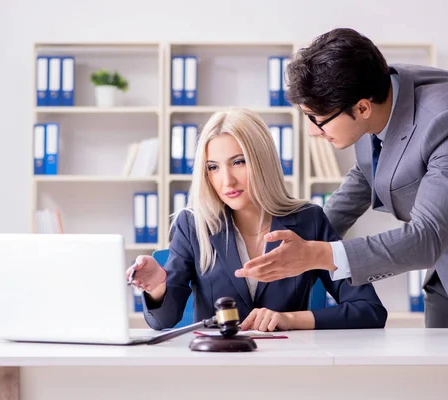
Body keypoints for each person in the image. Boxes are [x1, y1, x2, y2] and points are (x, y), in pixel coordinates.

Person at [235, 28, 448, 329]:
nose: (312, 132)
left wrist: (319, 254)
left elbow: (427, 236)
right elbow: (366, 174)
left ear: (362, 108)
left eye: (317, 120)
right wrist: (299, 233)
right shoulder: (376, 90)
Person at [127, 108, 387, 332]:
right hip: (217, 367)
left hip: (285, 364)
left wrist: (289, 319)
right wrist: (158, 287)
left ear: (262, 161)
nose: (226, 180)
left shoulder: (309, 220)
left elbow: (369, 310)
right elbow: (164, 321)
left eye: (238, 162)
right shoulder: (193, 225)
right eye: (213, 167)